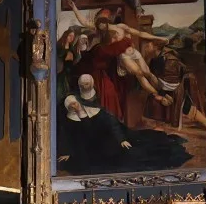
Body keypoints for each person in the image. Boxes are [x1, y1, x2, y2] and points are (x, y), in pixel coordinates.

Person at [59, 73, 190, 174]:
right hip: (91, 147)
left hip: (108, 138)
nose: (74, 106)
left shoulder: (94, 109)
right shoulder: (69, 118)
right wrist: (67, 151)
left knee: (132, 152)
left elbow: (111, 123)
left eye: (75, 103)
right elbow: (68, 136)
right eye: (71, 105)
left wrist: (121, 139)